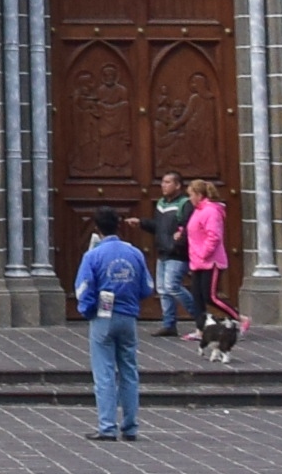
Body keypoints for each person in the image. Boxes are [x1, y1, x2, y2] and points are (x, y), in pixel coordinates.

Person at [73, 207, 152, 438]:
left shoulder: (93, 255)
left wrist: (87, 311)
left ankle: (107, 426)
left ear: (97, 228)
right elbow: (147, 286)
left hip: (103, 315)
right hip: (128, 316)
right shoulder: (134, 253)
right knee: (129, 370)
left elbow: (83, 289)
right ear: (118, 225)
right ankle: (130, 425)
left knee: (104, 372)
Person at [181, 185, 232, 348]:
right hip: (198, 262)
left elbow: (214, 236)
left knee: (210, 296)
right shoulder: (198, 210)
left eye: (191, 195)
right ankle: (201, 330)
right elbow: (195, 231)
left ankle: (239, 319)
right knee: (197, 296)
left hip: (211, 261)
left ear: (199, 194)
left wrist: (203, 254)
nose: (190, 198)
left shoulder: (211, 211)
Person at [150, 172, 196, 334]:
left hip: (176, 254)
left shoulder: (185, 204)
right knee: (163, 289)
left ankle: (200, 317)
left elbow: (188, 227)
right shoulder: (161, 203)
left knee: (172, 287)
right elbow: (158, 226)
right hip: (163, 251)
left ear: (177, 185)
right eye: (162, 181)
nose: (163, 185)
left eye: (168, 182)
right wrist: (141, 223)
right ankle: (169, 323)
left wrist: (176, 244)